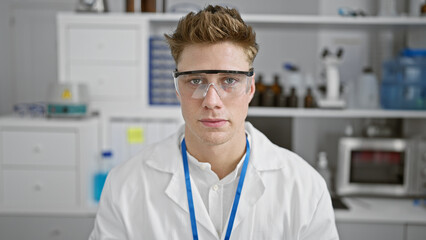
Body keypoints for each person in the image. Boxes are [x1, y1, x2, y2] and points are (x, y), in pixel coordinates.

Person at [89, 5, 339, 240]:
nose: (212, 101)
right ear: (177, 89)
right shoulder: (125, 186)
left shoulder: (305, 188)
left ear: (250, 88)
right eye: (195, 80)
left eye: (229, 80)